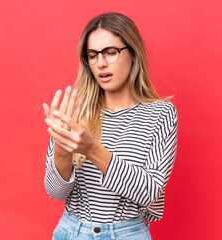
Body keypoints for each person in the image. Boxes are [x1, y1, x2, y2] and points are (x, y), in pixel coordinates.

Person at [43, 12, 178, 240]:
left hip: (126, 234)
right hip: (69, 232)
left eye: (111, 52)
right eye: (93, 55)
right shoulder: (76, 111)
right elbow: (55, 192)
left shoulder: (160, 114)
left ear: (133, 53)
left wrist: (92, 149)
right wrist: (62, 151)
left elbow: (149, 192)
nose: (101, 63)